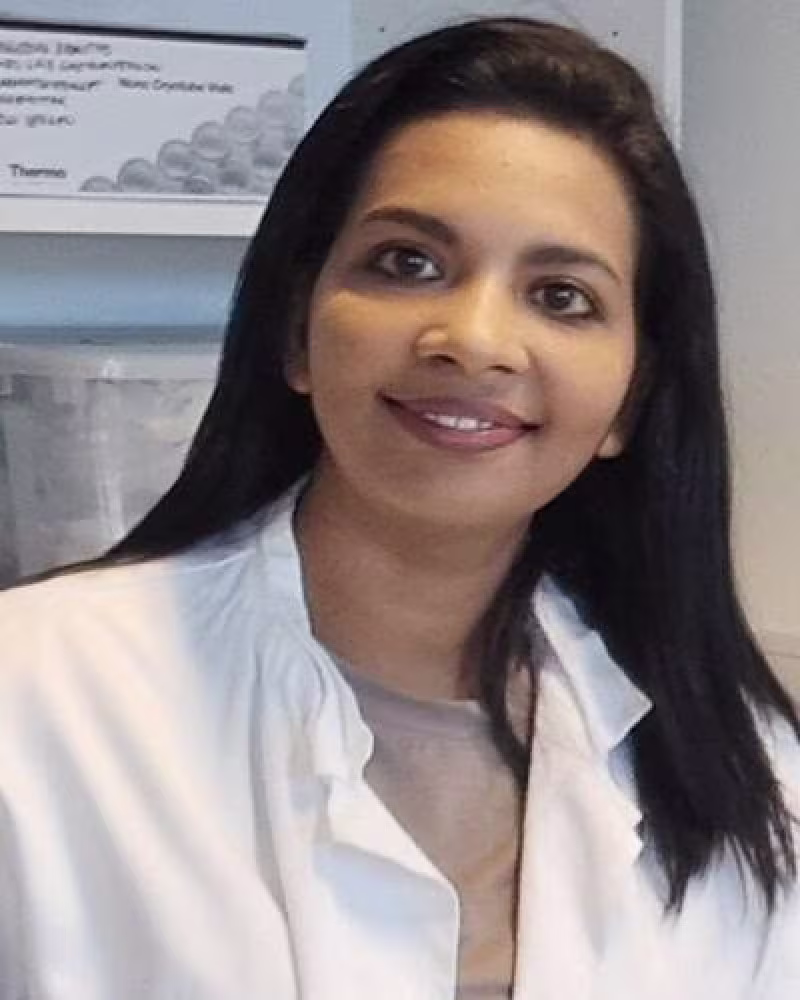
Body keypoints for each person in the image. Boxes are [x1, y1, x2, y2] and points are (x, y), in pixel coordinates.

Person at [0, 16, 798, 999]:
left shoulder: (737, 763)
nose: (471, 339)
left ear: (626, 403)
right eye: (406, 263)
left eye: (559, 295)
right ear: (297, 332)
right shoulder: (36, 697)